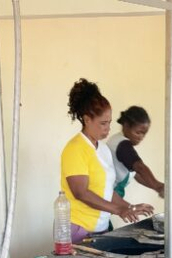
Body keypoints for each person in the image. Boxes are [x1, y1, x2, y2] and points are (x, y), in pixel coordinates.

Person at [61, 79, 153, 243]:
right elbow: (80, 193)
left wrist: (129, 207)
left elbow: (106, 191)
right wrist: (119, 210)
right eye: (103, 123)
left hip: (100, 229)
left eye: (109, 123)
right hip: (79, 230)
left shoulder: (103, 150)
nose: (108, 128)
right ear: (87, 119)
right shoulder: (75, 149)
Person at [107, 106, 165, 199]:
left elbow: (138, 176)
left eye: (144, 134)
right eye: (138, 132)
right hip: (108, 195)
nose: (141, 137)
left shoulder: (118, 141)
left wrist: (158, 187)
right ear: (126, 126)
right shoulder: (122, 144)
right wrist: (158, 186)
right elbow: (140, 168)